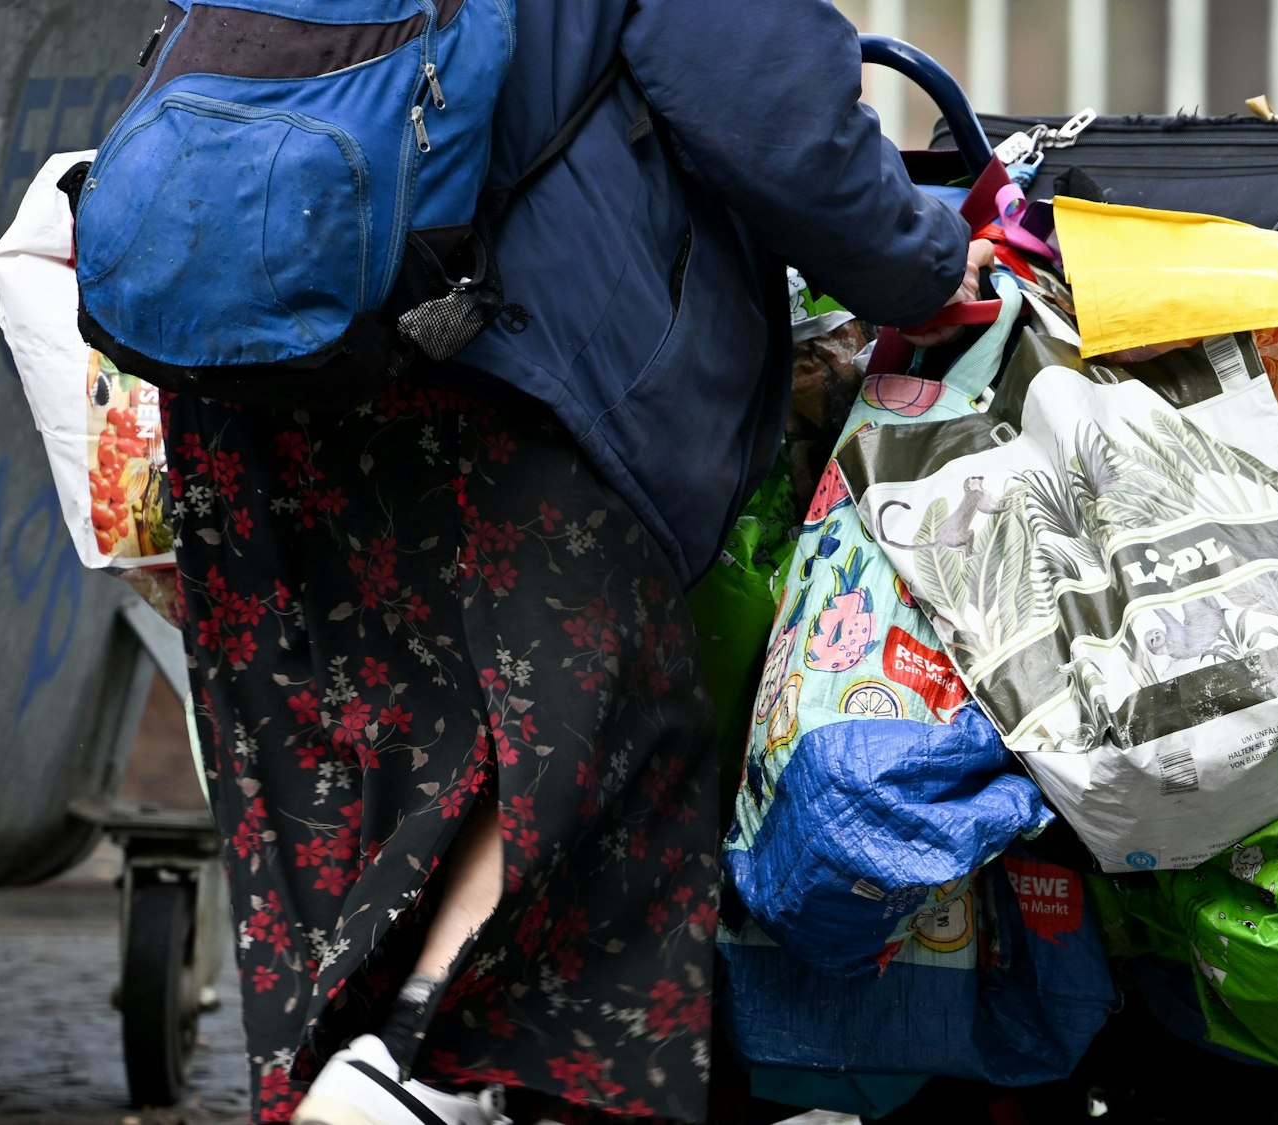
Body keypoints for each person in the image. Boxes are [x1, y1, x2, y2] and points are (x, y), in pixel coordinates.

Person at [160, 2, 982, 1123]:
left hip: (249, 344)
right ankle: (416, 1060)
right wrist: (926, 266)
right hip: (485, 339)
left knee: (345, 732)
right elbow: (776, 121)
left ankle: (357, 1065)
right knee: (595, 724)